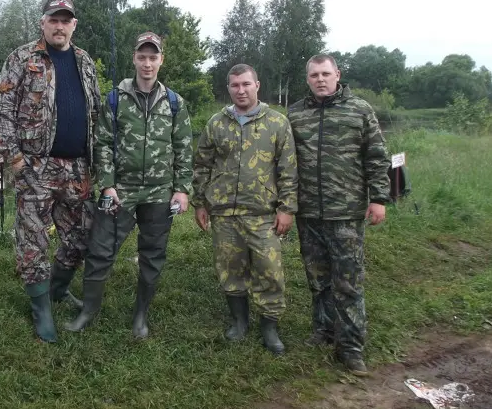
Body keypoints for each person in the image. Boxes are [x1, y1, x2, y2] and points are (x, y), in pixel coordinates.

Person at [65, 31, 193, 339]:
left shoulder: (174, 102)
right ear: (134, 59)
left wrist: (181, 188)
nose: (147, 64)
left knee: (153, 254)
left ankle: (140, 315)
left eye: (153, 57)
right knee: (100, 250)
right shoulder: (115, 99)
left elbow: (184, 148)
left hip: (160, 192)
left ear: (161, 60)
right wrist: (107, 185)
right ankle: (88, 311)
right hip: (120, 190)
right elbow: (102, 143)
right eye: (142, 57)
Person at [0, 0, 100, 344]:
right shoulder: (22, 58)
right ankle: (41, 309)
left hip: (78, 167)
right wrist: (16, 161)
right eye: (54, 19)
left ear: (74, 25)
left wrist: (97, 159)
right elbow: (1, 111)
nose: (59, 26)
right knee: (33, 240)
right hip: (35, 167)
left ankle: (57, 289)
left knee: (82, 235)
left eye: (65, 20)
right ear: (43, 23)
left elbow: (95, 112)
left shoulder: (84, 61)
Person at [287, 53, 390, 376]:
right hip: (308, 211)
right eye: (314, 75)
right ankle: (324, 330)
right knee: (318, 279)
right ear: (308, 79)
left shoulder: (359, 110)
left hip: (345, 211)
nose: (320, 79)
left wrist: (379, 198)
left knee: (348, 282)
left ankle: (351, 347)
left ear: (337, 75)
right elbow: (286, 161)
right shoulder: (295, 114)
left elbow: (377, 156)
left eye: (325, 74)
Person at [192, 64, 298, 355]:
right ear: (228, 88)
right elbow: (202, 165)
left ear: (257, 86)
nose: (241, 90)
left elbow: (288, 170)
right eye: (235, 85)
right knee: (230, 269)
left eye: (246, 84)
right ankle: (239, 321)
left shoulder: (277, 123)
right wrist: (200, 203)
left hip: (263, 214)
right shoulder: (217, 123)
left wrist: (287, 208)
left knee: (270, 271)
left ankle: (269, 326)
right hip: (224, 213)